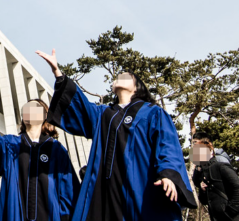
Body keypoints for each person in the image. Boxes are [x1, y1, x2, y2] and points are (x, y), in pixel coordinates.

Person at [36, 49, 197, 221]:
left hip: (140, 187)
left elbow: (168, 146)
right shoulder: (103, 114)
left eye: (127, 76)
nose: (121, 76)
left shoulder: (152, 113)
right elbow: (79, 107)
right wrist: (57, 73)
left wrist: (168, 174)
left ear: (137, 87)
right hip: (104, 192)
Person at [0, 89, 80, 221]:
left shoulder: (56, 149)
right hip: (15, 215)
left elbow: (69, 192)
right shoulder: (11, 145)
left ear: (45, 115)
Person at [191, 132, 239, 221]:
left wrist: (229, 213)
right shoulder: (203, 171)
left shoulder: (221, 165)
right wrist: (203, 190)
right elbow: (205, 201)